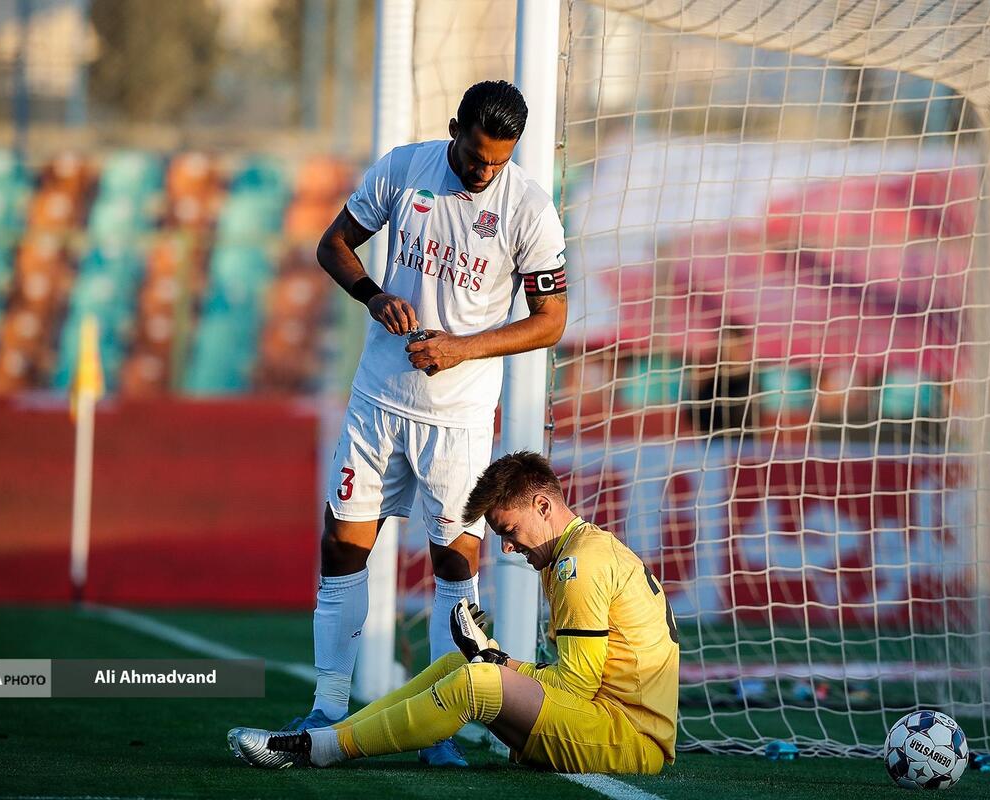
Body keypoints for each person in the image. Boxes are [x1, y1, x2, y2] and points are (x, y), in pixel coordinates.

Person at [293, 80, 569, 769]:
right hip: (378, 402)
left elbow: (552, 321)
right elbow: (335, 246)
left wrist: (461, 348)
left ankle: (438, 729)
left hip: (460, 420)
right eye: (475, 157)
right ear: (456, 130)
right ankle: (328, 704)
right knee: (342, 549)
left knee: (455, 564)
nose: (482, 172)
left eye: (497, 162)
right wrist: (375, 295)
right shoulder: (404, 168)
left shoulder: (530, 208)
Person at [228, 451, 680, 774]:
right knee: (454, 663)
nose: (506, 546)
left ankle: (320, 749)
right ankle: (329, 736)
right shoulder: (581, 551)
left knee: (475, 679)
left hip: (629, 740)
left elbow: (577, 686)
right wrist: (492, 660)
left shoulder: (576, 565)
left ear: (543, 505)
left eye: (509, 530)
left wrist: (495, 663)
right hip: (613, 723)